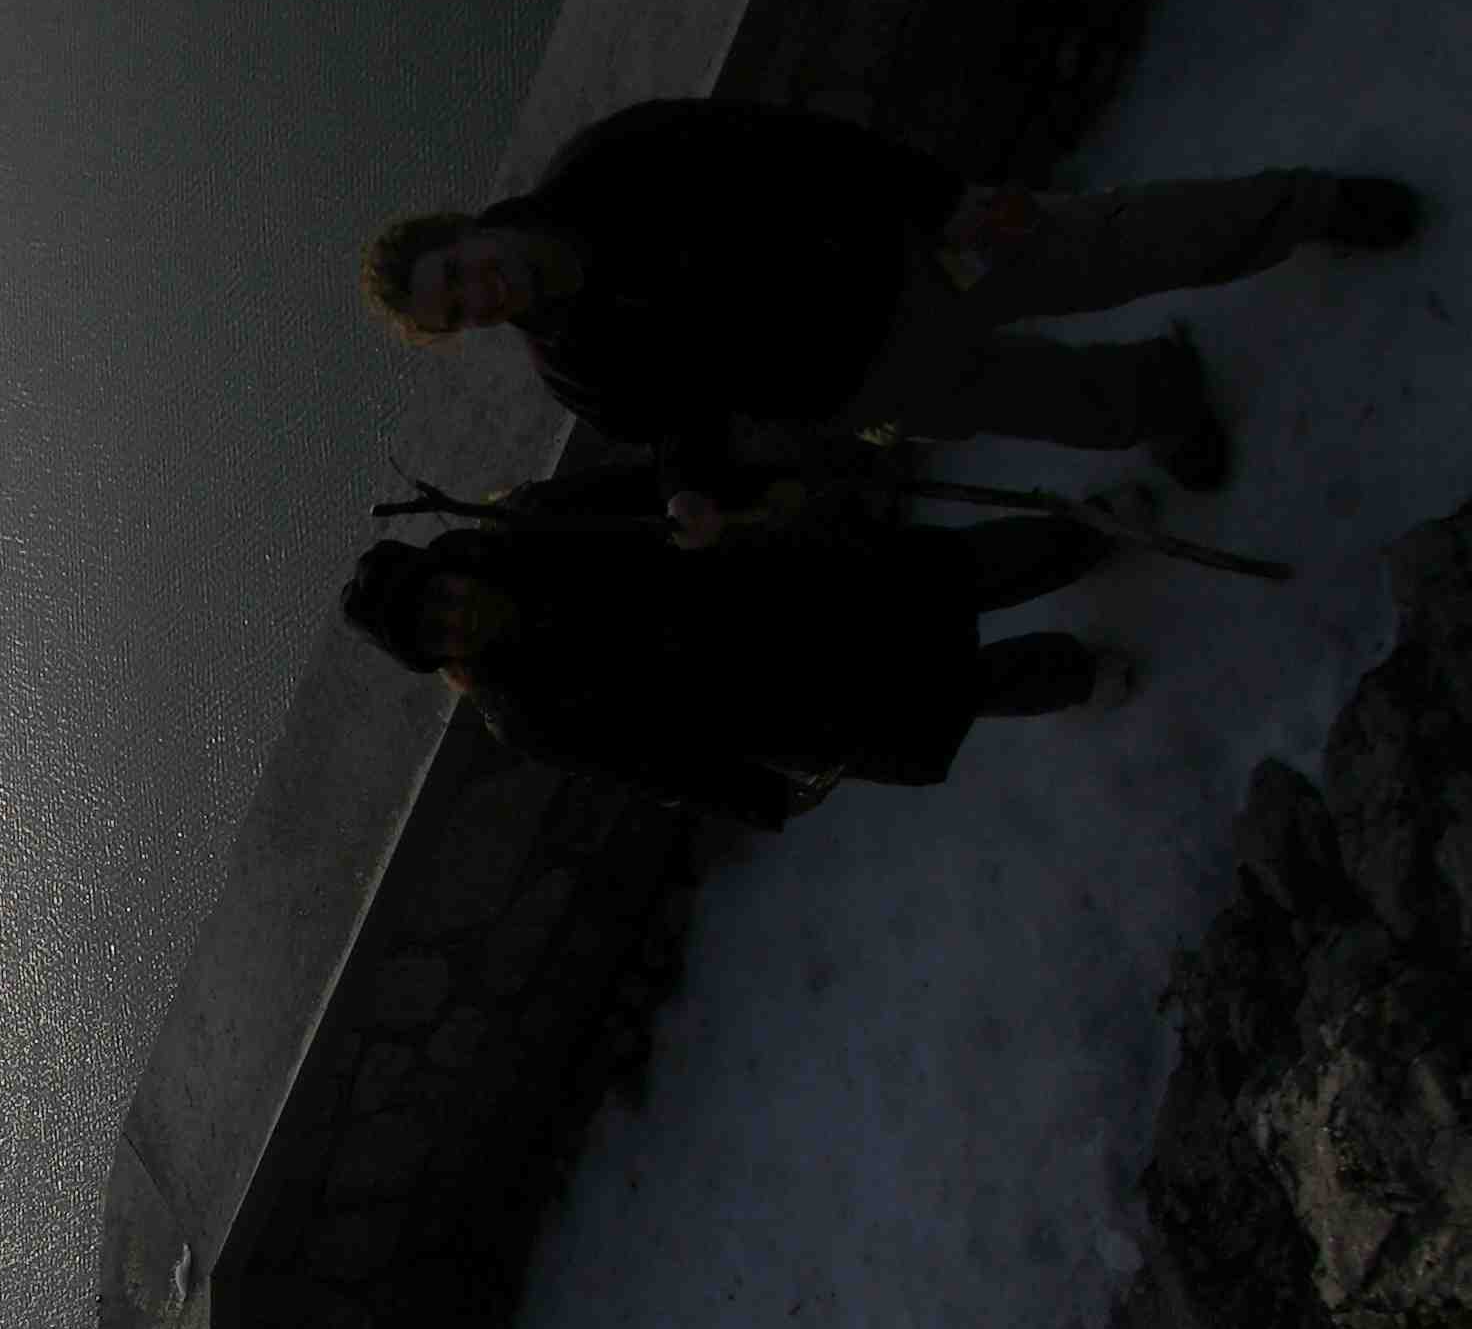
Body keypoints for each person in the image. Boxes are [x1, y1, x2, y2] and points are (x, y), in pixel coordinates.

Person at [359, 99, 1423, 540]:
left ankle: (1313, 206)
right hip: (871, 382)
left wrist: (940, 197)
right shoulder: (574, 368)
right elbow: (682, 421)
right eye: (456, 312)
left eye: (457, 273)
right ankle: (1164, 396)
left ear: (464, 229)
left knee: (1119, 244)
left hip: (909, 248)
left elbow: (793, 142)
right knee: (1053, 404)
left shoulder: (607, 163)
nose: (478, 295)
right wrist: (691, 488)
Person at [335, 460, 1134, 831]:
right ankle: (1079, 672)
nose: (455, 618)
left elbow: (655, 483)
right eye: (434, 633)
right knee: (948, 697)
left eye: (440, 597)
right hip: (774, 703)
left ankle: (1092, 536)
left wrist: (737, 492)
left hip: (786, 584)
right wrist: (760, 799)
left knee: (953, 576)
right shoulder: (521, 709)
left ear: (448, 569)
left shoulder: (532, 526)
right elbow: (649, 765)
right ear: (436, 656)